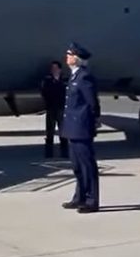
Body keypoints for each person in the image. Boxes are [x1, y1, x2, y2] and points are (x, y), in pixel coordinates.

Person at [60, 42, 100, 214]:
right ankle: (79, 197)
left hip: (81, 128)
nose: (67, 56)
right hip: (73, 128)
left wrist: (92, 122)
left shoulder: (84, 77)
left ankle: (92, 200)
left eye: (70, 54)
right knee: (77, 166)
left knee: (87, 165)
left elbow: (92, 103)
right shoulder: (74, 76)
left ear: (77, 58)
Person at [40, 61, 69, 158]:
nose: (54, 70)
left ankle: (65, 153)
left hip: (61, 108)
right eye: (53, 68)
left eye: (56, 68)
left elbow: (68, 92)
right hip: (51, 108)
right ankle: (49, 153)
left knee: (63, 131)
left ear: (60, 69)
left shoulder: (65, 80)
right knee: (49, 131)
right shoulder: (47, 80)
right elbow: (44, 92)